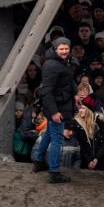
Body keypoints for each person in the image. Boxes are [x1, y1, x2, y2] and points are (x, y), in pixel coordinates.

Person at [34, 37, 75, 184]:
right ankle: (54, 172)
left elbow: (66, 83)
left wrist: (74, 95)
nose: (64, 51)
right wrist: (53, 112)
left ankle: (38, 161)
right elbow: (47, 91)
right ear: (55, 49)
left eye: (66, 48)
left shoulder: (61, 61)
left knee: (50, 135)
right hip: (57, 107)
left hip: (60, 104)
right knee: (57, 140)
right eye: (61, 49)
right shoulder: (52, 65)